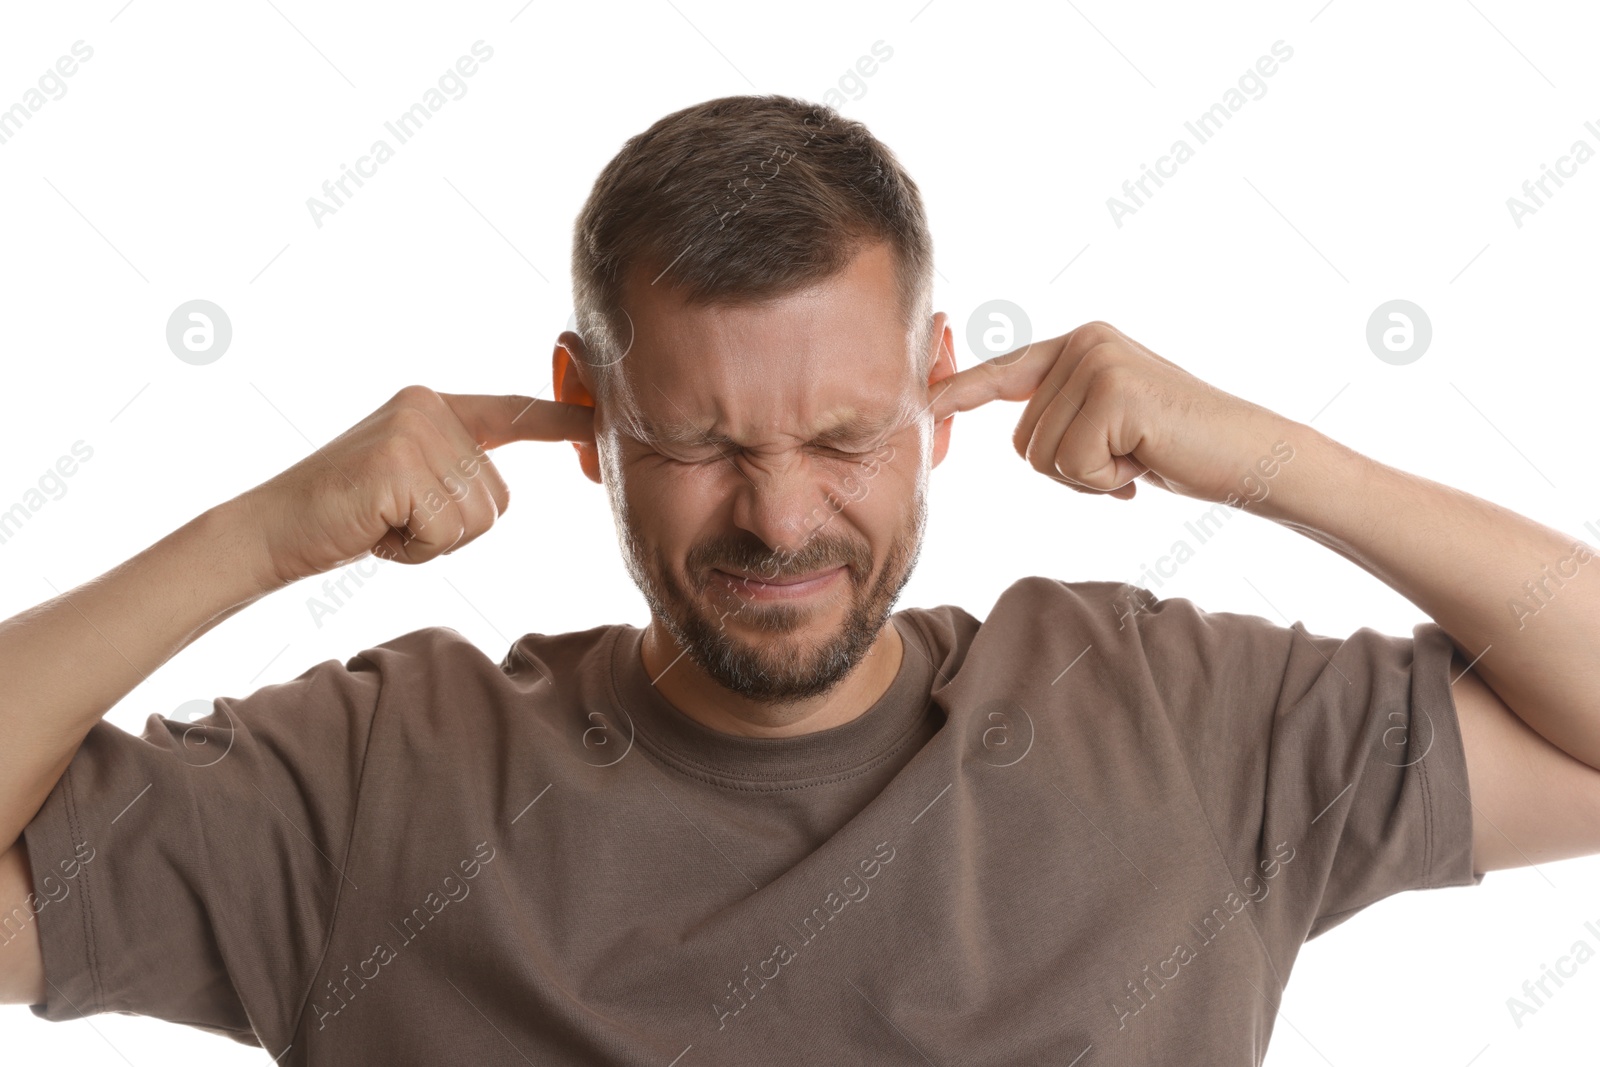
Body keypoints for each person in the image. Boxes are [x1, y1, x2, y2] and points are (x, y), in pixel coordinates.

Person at [1, 93, 1596, 1066]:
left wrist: (1262, 456)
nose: (780, 521)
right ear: (588, 411)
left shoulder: (1182, 717)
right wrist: (264, 536)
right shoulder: (372, 786)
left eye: (843, 434)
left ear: (939, 393)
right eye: (697, 440)